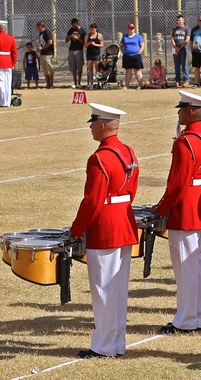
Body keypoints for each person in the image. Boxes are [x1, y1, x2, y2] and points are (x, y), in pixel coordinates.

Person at [70, 102, 139, 359]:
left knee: (103, 289)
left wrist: (76, 230)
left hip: (106, 227)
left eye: (93, 124)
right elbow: (131, 191)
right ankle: (116, 342)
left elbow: (92, 201)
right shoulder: (128, 152)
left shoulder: (99, 158)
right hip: (124, 221)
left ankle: (103, 345)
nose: (91, 129)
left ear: (101, 126)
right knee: (118, 288)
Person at [156, 91, 201, 335]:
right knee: (194, 265)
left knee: (185, 268)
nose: (179, 113)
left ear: (191, 112)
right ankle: (195, 315)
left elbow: (177, 183)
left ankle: (186, 319)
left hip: (185, 208)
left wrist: (162, 208)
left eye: (182, 109)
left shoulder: (186, 141)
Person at [0, 20, 17, 107]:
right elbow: (14, 52)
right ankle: (7, 101)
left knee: (1, 83)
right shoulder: (11, 38)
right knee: (7, 83)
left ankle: (3, 102)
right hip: (8, 62)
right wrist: (13, 63)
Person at [121, 24, 145, 89]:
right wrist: (124, 53)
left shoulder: (138, 37)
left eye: (132, 29)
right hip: (127, 56)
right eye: (130, 29)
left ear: (134, 29)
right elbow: (121, 46)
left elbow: (142, 45)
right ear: (128, 29)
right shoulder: (125, 37)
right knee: (128, 71)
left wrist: (139, 53)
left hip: (136, 56)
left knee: (137, 70)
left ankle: (140, 85)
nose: (131, 30)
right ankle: (126, 86)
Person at [66, 19, 87, 88]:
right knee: (73, 67)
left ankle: (79, 83)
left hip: (79, 50)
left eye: (73, 24)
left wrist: (77, 38)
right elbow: (66, 40)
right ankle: (75, 82)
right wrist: (70, 36)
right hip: (71, 50)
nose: (72, 26)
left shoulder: (82, 31)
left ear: (76, 23)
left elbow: (84, 42)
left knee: (79, 66)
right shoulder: (71, 30)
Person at [171, 15, 191, 88]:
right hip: (176, 50)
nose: (178, 21)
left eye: (179, 20)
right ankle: (177, 81)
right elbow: (172, 39)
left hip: (183, 49)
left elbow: (187, 39)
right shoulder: (175, 29)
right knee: (177, 66)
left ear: (183, 20)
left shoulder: (186, 29)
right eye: (177, 20)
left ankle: (186, 81)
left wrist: (180, 47)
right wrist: (175, 47)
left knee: (184, 65)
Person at [84, 23, 104, 89]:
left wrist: (95, 44)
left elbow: (101, 45)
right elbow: (85, 45)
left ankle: (98, 82)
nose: (92, 31)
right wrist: (89, 43)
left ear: (96, 29)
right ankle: (91, 82)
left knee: (97, 69)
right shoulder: (87, 35)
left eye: (94, 30)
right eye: (91, 30)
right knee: (90, 69)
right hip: (89, 54)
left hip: (96, 54)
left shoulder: (99, 35)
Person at [36, 21, 55, 89]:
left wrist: (42, 47)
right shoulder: (41, 33)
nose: (37, 28)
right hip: (42, 53)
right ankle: (48, 84)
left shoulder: (47, 32)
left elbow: (50, 42)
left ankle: (51, 85)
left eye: (37, 27)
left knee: (49, 69)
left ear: (40, 26)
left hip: (48, 54)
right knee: (45, 70)